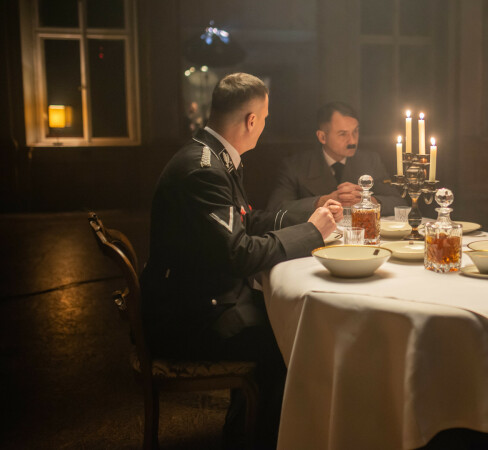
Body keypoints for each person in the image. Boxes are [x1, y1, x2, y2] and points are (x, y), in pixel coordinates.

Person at [140, 73, 342, 447]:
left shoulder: (211, 155)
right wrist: (313, 234)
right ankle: (256, 439)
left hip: (196, 299)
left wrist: (311, 213)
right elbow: (240, 253)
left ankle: (245, 429)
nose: (264, 125)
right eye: (264, 118)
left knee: (286, 319)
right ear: (251, 120)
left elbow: (247, 220)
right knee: (293, 340)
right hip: (189, 320)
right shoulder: (204, 170)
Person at [267, 101, 406, 217]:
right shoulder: (296, 166)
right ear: (322, 137)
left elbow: (399, 203)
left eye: (355, 131)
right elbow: (275, 210)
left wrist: (368, 201)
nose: (352, 140)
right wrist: (321, 202)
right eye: (343, 134)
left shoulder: (370, 160)